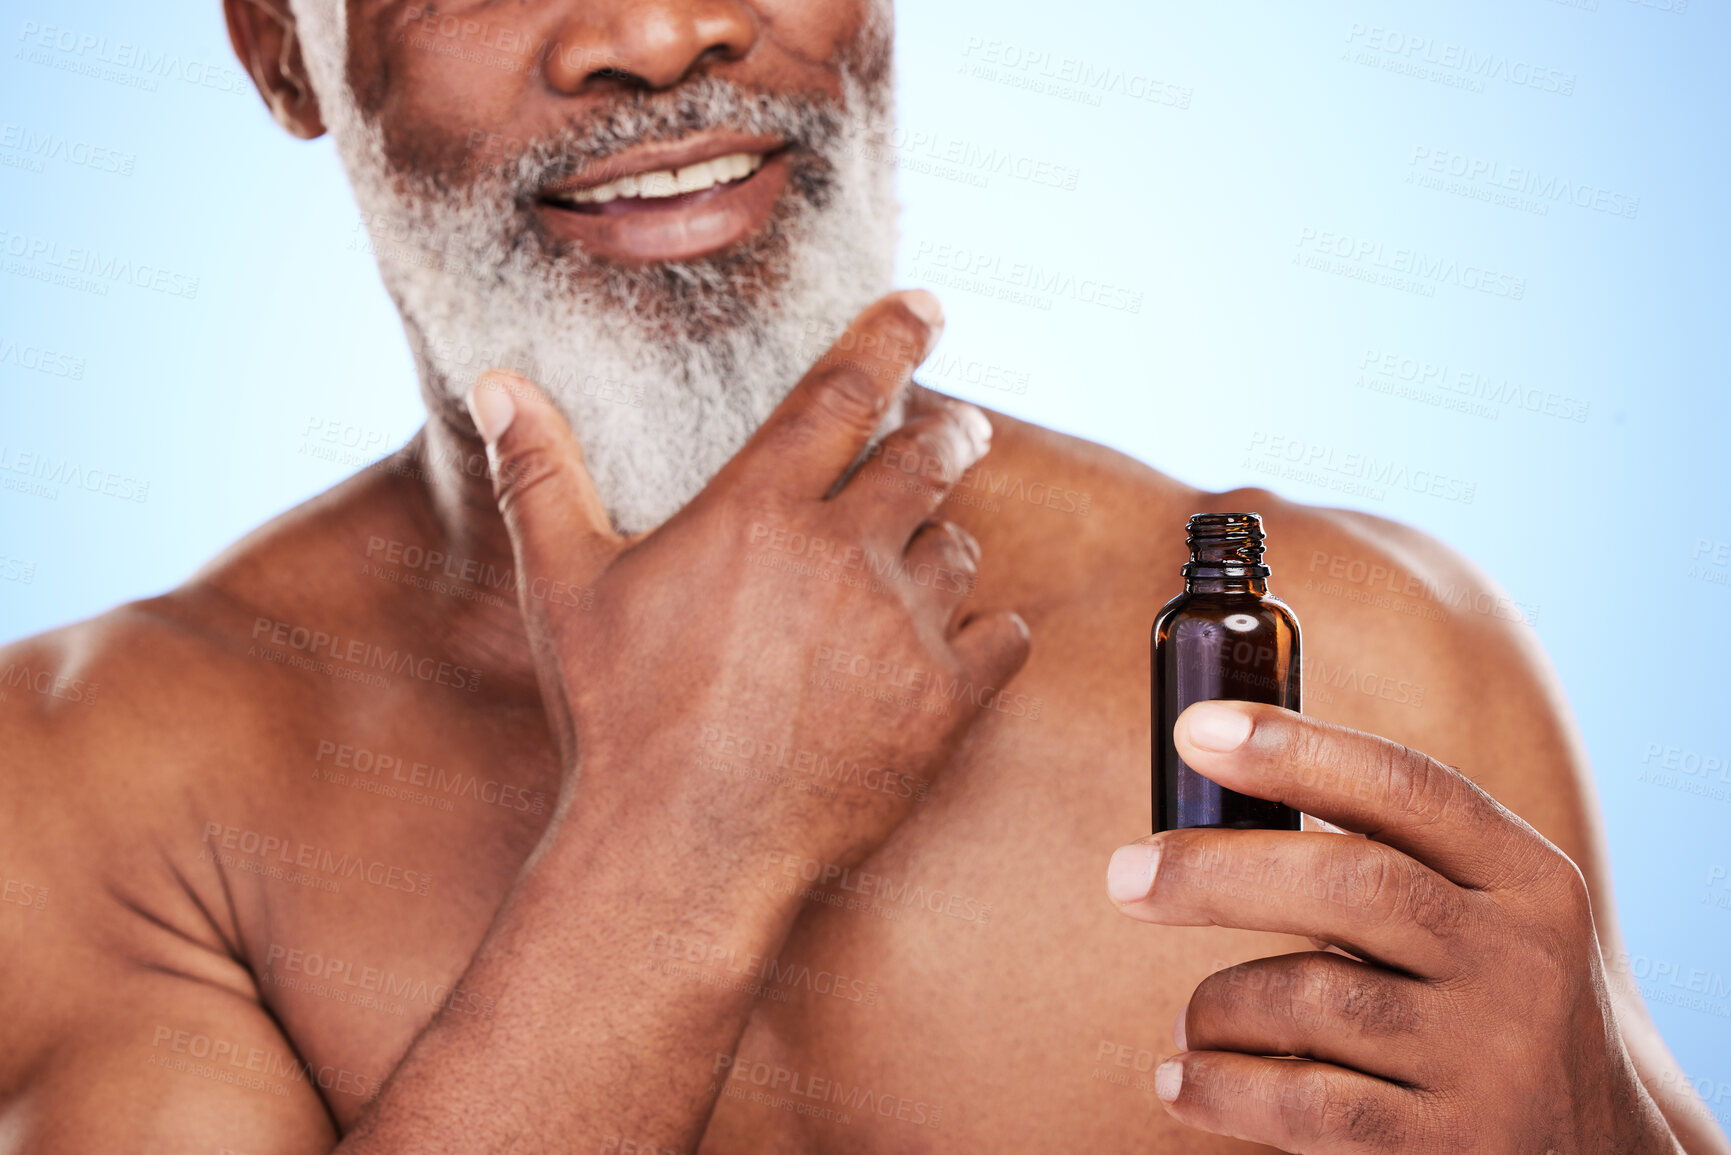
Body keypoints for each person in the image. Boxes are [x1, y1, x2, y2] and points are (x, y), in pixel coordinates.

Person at [0, 0, 1723, 1151]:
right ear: (279, 51)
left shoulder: (1338, 659)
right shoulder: (92, 788)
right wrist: (684, 839)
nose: (658, 34)